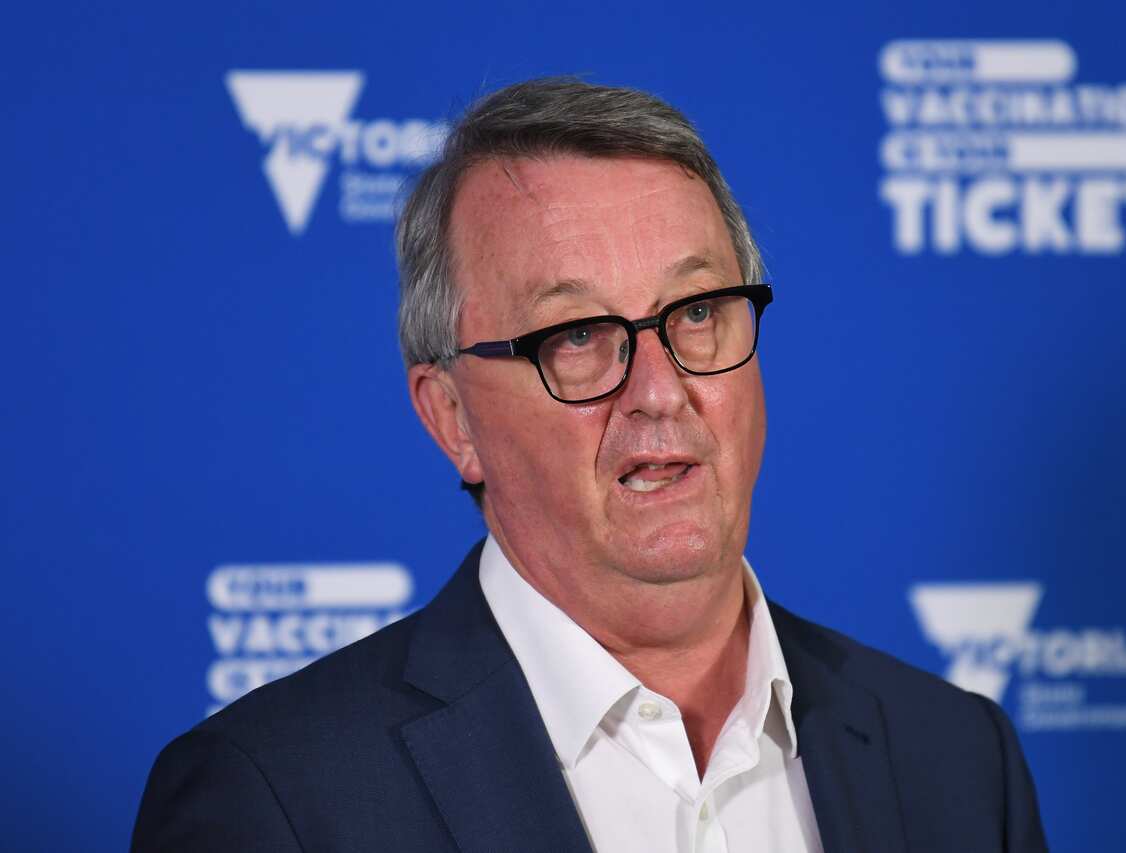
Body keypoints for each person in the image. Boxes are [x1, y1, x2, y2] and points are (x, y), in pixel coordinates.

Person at [134, 77, 1048, 852]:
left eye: (696, 313)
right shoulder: (277, 798)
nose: (659, 389)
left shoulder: (958, 759)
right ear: (452, 416)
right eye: (577, 334)